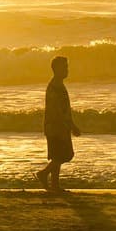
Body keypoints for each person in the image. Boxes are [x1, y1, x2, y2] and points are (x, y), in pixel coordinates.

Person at [35, 55, 81, 193]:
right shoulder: (55, 87)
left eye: (67, 67)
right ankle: (44, 173)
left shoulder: (58, 85)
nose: (67, 70)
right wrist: (71, 125)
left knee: (58, 155)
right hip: (56, 127)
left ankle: (55, 185)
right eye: (64, 67)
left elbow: (64, 110)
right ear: (56, 69)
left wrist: (70, 124)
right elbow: (58, 111)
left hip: (57, 126)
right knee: (65, 154)